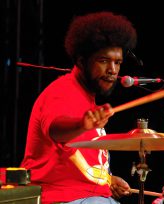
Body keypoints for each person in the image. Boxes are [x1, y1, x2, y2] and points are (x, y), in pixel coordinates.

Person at [20, 11, 137, 204]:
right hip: (58, 198)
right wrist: (82, 125)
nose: (113, 70)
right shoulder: (62, 92)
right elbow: (56, 130)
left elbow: (76, 162)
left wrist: (106, 181)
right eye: (104, 61)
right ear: (82, 61)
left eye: (117, 62)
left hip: (86, 196)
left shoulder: (87, 98)